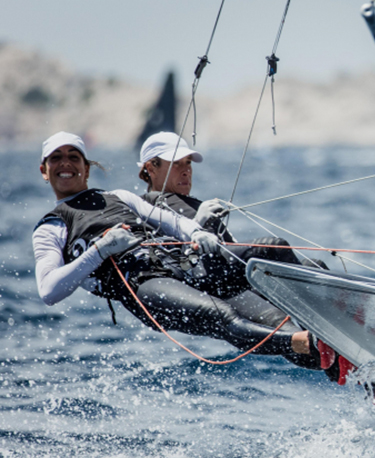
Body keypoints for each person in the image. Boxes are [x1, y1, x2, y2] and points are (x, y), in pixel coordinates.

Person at [32, 131, 323, 368]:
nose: (65, 163)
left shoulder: (118, 196)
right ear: (45, 171)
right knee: (223, 316)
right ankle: (308, 343)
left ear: (86, 167)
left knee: (272, 251)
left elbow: (170, 222)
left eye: (73, 156)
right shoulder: (52, 227)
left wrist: (197, 231)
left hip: (178, 267)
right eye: (56, 158)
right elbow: (49, 291)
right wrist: (99, 251)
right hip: (144, 287)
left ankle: (338, 330)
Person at [135, 132, 345, 378]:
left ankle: (346, 360)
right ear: (151, 167)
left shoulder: (190, 201)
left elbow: (227, 246)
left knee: (310, 273)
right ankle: (338, 338)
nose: (186, 170)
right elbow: (167, 256)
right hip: (207, 282)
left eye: (188, 163)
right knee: (273, 249)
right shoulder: (149, 205)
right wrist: (197, 223)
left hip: (232, 280)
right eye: (176, 163)